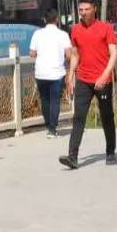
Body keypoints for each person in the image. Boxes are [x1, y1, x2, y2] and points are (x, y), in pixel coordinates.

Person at [60, 0, 117, 169]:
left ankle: (110, 151)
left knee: (107, 117)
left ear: (94, 9)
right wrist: (70, 75)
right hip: (83, 79)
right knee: (79, 117)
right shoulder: (76, 29)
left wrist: (105, 75)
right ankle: (73, 156)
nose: (83, 13)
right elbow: (75, 54)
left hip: (103, 80)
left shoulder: (106, 28)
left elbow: (113, 54)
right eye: (81, 10)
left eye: (86, 9)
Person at [29, 10, 71, 138]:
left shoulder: (37, 34)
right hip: (57, 72)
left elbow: (32, 53)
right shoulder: (63, 34)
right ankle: (53, 129)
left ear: (44, 20)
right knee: (55, 101)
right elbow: (69, 54)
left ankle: (48, 125)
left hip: (41, 72)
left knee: (45, 100)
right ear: (57, 19)